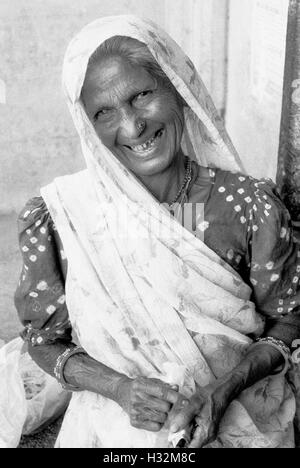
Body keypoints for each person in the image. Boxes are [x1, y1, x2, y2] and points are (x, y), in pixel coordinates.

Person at [14, 15, 300, 448]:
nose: (131, 127)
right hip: (116, 429)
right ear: (88, 129)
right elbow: (44, 340)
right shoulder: (61, 217)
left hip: (240, 411)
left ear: (177, 90)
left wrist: (221, 391)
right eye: (104, 113)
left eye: (142, 95)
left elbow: (287, 320)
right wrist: (118, 388)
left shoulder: (248, 206)